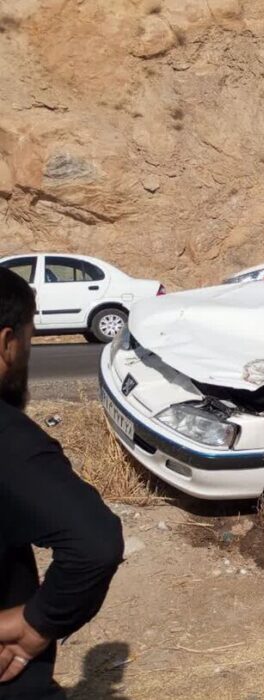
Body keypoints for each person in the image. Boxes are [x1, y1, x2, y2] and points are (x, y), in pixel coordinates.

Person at [0, 267, 124, 696]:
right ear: (6, 343)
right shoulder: (10, 441)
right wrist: (36, 623)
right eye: (29, 339)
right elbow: (95, 542)